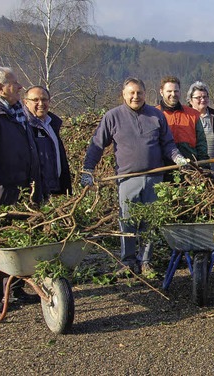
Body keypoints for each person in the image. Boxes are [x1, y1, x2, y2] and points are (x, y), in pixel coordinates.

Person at [81, 77, 189, 276]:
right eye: (131, 93)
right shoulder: (113, 117)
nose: (135, 97)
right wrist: (88, 169)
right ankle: (128, 262)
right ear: (123, 94)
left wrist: (178, 158)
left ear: (145, 94)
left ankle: (146, 261)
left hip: (154, 178)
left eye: (139, 93)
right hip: (127, 179)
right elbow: (97, 144)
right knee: (127, 221)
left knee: (151, 221)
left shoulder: (156, 116)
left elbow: (168, 144)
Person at [0, 66, 44, 313]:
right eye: (14, 83)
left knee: (19, 239)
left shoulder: (14, 109)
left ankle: (16, 287)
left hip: (22, 188)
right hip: (1, 189)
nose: (20, 86)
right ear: (0, 88)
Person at [24, 85, 72, 195]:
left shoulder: (52, 125)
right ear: (25, 102)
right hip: (34, 192)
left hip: (56, 189)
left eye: (44, 99)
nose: (41, 103)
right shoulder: (23, 127)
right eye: (35, 100)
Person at [156, 76, 208, 164]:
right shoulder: (154, 115)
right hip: (164, 169)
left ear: (180, 92)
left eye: (176, 91)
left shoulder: (193, 114)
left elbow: (201, 144)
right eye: (169, 91)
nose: (173, 94)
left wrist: (204, 165)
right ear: (161, 92)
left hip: (192, 167)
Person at [186, 80, 214, 172]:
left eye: (205, 97)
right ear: (190, 100)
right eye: (198, 97)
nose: (203, 100)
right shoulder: (186, 118)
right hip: (195, 166)